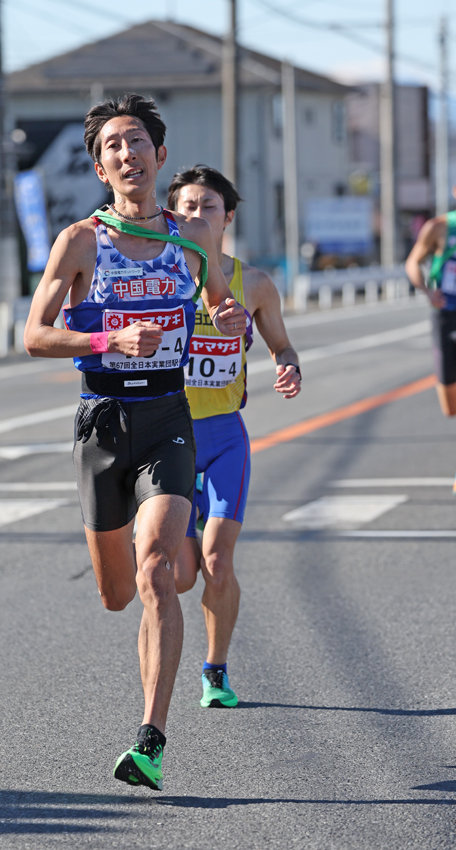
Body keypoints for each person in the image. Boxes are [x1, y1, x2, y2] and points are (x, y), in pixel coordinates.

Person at [24, 95, 248, 791]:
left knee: (155, 569)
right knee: (119, 593)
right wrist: (105, 338)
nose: (127, 154)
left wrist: (229, 314)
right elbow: (33, 335)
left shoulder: (190, 239)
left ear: (159, 154)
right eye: (113, 146)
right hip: (101, 424)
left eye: (137, 141)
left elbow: (218, 302)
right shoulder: (82, 241)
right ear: (100, 167)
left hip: (168, 417)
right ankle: (148, 584)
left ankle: (149, 739)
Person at [167, 165, 302, 708]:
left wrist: (288, 367)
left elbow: (283, 348)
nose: (197, 216)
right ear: (172, 217)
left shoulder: (256, 284)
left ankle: (215, 669)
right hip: (168, 438)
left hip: (224, 438)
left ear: (228, 218)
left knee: (219, 563)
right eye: (187, 207)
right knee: (178, 578)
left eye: (208, 207)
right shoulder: (161, 277)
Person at [404, 201, 456, 481]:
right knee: (450, 407)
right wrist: (425, 289)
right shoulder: (439, 228)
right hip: (446, 312)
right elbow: (413, 261)